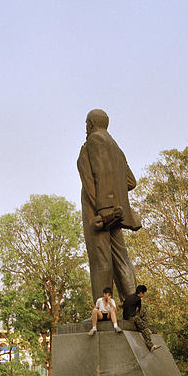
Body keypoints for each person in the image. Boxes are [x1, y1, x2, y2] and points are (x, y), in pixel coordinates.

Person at [77, 108, 140, 300]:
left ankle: (103, 309)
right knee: (121, 257)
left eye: (86, 124)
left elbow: (102, 171)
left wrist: (104, 209)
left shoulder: (95, 140)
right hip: (115, 212)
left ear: (92, 123)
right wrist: (115, 200)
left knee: (100, 259)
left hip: (98, 212)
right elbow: (130, 181)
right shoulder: (116, 148)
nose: (85, 128)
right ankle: (132, 305)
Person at [121, 285, 161, 352]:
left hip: (125, 316)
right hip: (132, 317)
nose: (143, 295)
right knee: (144, 328)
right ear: (140, 293)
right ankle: (150, 343)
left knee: (142, 329)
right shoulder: (138, 299)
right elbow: (137, 310)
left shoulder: (129, 297)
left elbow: (123, 305)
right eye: (143, 293)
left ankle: (151, 346)